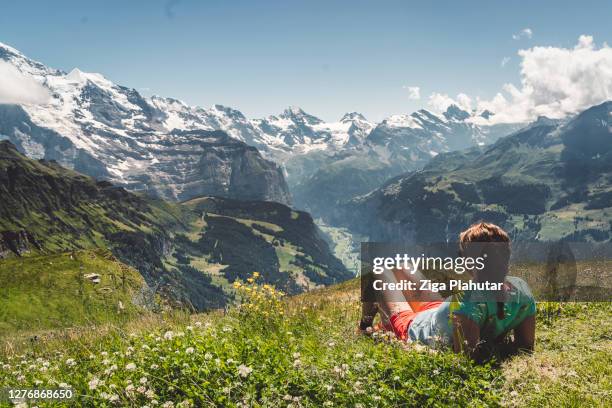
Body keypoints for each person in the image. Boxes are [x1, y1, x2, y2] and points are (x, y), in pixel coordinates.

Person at [359, 222, 536, 360]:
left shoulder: (466, 305)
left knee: (378, 269)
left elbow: (467, 358)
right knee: (401, 265)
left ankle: (364, 327)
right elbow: (526, 345)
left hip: (413, 327)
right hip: (438, 311)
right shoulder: (522, 290)